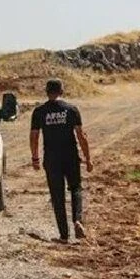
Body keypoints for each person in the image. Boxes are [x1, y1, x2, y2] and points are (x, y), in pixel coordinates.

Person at [29, 79, 92, 242]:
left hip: (52, 159)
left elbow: (34, 136)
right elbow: (81, 135)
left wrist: (35, 157)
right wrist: (88, 158)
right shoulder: (71, 110)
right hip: (70, 156)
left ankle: (64, 236)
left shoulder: (39, 112)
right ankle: (77, 220)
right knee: (76, 188)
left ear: (47, 92)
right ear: (61, 91)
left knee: (57, 196)